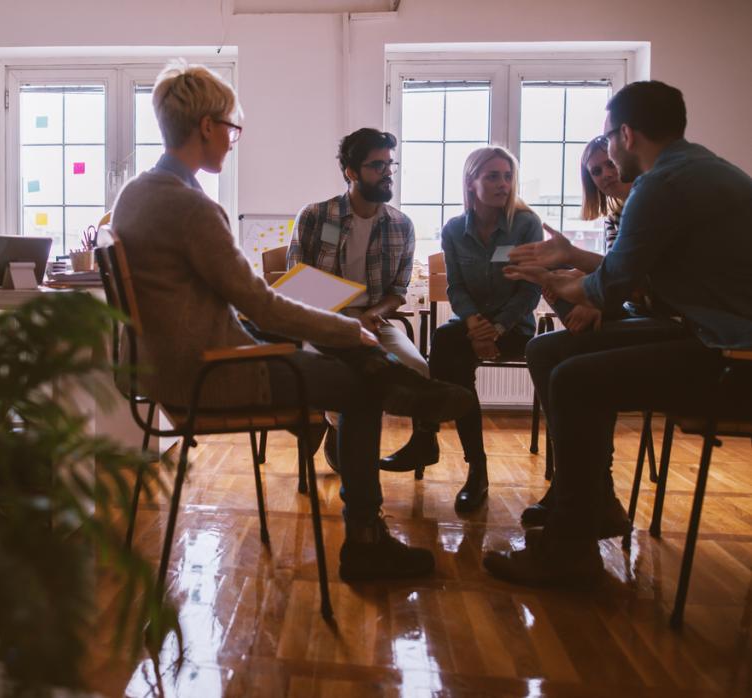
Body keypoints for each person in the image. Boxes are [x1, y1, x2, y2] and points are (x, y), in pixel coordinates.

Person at [110, 61, 473, 583]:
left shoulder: (135, 194)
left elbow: (232, 301)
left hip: (167, 366)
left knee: (344, 354)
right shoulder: (191, 207)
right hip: (209, 375)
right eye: (232, 128)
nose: (234, 139)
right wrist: (347, 329)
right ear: (207, 127)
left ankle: (387, 375)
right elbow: (260, 302)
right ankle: (366, 540)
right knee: (354, 386)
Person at [485, 80, 752, 586]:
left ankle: (571, 547)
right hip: (708, 332)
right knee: (547, 351)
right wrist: (571, 278)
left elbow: (611, 288)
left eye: (607, 140)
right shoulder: (698, 169)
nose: (605, 152)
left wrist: (554, 280)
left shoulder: (662, 184)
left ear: (626, 134)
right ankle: (594, 503)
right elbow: (640, 282)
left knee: (573, 378)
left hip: (731, 354)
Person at [288, 128, 439, 475]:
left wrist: (372, 314)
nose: (387, 173)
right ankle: (340, 433)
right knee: (339, 376)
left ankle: (423, 440)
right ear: (351, 172)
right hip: (322, 319)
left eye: (390, 165)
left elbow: (398, 291)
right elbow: (298, 282)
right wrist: (341, 321)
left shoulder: (401, 225)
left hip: (374, 320)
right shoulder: (314, 216)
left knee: (417, 367)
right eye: (377, 166)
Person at [519, 135, 640, 533]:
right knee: (557, 291)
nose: (606, 174)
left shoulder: (647, 204)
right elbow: (615, 275)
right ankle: (591, 489)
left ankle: (583, 488)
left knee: (563, 357)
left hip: (651, 320)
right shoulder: (616, 216)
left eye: (609, 165)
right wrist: (582, 284)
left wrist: (595, 295)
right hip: (630, 313)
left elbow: (630, 280)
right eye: (595, 171)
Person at [428, 146, 543, 512]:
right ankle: (474, 467)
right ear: (471, 182)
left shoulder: (526, 224)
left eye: (508, 176)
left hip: (514, 326)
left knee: (451, 347)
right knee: (447, 342)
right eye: (492, 176)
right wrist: (475, 323)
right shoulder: (453, 230)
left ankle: (428, 434)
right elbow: (456, 287)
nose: (503, 185)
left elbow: (530, 288)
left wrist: (496, 327)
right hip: (473, 324)